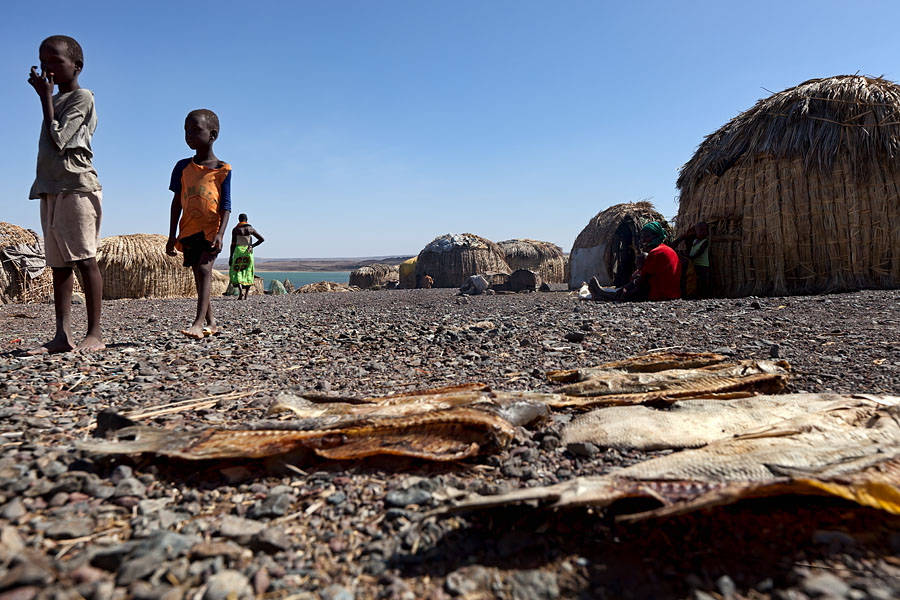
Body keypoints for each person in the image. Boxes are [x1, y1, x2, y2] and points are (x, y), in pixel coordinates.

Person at [26, 35, 104, 354]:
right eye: (44, 62)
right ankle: (62, 335)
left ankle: (95, 333)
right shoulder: (55, 101)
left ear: (77, 66)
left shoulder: (82, 97)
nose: (49, 68)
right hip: (51, 188)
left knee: (84, 259)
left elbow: (59, 139)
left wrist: (44, 98)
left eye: (56, 61)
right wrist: (47, 99)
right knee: (59, 265)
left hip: (77, 186)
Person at [166, 109, 231, 338]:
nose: (189, 135)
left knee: (204, 269)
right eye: (186, 130)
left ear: (212, 135)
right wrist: (172, 235)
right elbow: (176, 203)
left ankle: (198, 323)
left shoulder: (222, 169)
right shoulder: (182, 167)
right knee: (198, 273)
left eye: (196, 130)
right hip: (189, 228)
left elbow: (225, 205)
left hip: (210, 229)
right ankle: (212, 323)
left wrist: (221, 234)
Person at [589, 222, 681, 302]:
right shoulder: (666, 249)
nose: (643, 240)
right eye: (642, 237)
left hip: (661, 294)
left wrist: (626, 292)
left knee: (632, 291)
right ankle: (604, 294)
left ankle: (606, 295)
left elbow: (642, 281)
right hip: (672, 293)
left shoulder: (656, 253)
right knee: (631, 287)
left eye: (647, 237)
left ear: (656, 236)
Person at [229, 213, 264, 300]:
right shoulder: (250, 229)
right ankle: (246, 295)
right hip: (248, 253)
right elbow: (261, 239)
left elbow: (232, 244)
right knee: (248, 271)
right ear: (247, 219)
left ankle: (241, 292)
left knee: (237, 272)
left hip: (238, 252)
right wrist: (252, 245)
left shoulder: (235, 229)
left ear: (238, 219)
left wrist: (230, 256)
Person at [673, 221, 711, 298]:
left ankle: (706, 295)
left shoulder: (705, 242)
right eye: (700, 230)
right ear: (696, 232)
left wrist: (691, 257)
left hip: (703, 264)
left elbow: (700, 252)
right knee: (695, 279)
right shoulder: (694, 241)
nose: (703, 232)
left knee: (703, 279)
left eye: (705, 230)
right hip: (696, 263)